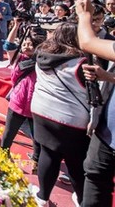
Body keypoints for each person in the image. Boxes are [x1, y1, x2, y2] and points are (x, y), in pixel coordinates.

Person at [30, 22, 90, 206]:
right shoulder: (80, 62)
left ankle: (42, 197)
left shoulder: (41, 54)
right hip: (71, 120)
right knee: (76, 162)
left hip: (42, 111)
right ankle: (82, 200)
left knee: (48, 154)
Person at [75, 0, 115, 207]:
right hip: (108, 129)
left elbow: (88, 42)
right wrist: (108, 76)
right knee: (95, 178)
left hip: (109, 132)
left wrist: (84, 15)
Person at [0, 19, 43, 171]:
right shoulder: (17, 58)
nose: (26, 46)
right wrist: (16, 26)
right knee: (9, 132)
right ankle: (3, 157)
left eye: (30, 44)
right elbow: (9, 44)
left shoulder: (43, 61)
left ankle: (36, 163)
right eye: (24, 43)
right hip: (17, 102)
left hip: (35, 105)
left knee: (37, 138)